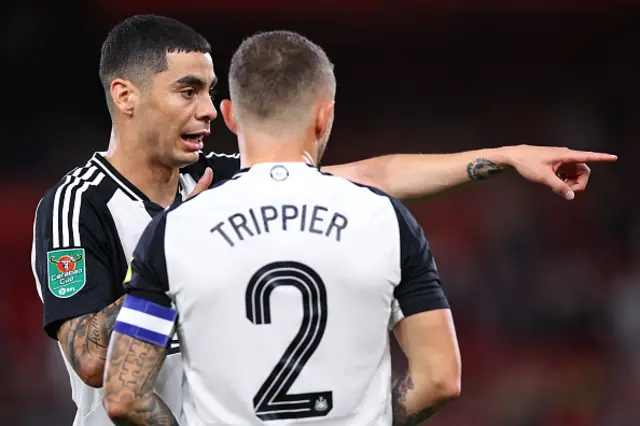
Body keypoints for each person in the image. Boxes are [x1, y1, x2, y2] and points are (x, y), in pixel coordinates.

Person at [31, 14, 616, 426]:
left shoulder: (220, 175)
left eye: (211, 92)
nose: (208, 110)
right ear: (125, 96)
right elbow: (87, 359)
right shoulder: (74, 205)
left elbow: (372, 178)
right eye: (188, 91)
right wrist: (167, 251)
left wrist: (507, 160)